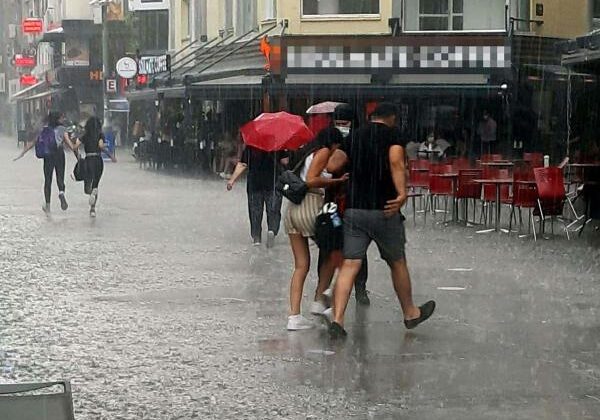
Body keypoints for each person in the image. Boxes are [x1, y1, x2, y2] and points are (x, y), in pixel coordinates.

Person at [326, 102, 436, 338]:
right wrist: (401, 193)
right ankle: (410, 313)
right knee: (397, 261)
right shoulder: (393, 135)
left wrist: (348, 174)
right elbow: (396, 161)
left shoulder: (355, 136)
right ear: (392, 118)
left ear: (371, 117)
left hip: (355, 209)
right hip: (385, 209)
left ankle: (337, 320)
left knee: (350, 264)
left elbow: (332, 163)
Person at [283, 127, 349, 330]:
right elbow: (311, 179)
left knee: (301, 265)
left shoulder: (306, 153)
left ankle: (294, 317)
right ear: (333, 143)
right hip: (310, 207)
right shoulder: (322, 152)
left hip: (292, 211)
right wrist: (335, 180)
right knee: (338, 248)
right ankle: (322, 298)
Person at [14, 111, 76, 213]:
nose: (63, 119)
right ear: (58, 119)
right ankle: (61, 193)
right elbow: (70, 144)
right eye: (61, 117)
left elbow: (33, 142)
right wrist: (76, 148)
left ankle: (48, 206)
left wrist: (22, 153)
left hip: (48, 156)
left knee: (48, 180)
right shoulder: (62, 129)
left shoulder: (44, 129)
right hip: (59, 154)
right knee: (60, 177)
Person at [227, 145, 286, 248]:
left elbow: (243, 164)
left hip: (254, 183)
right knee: (274, 209)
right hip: (273, 183)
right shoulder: (277, 145)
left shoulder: (251, 147)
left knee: (255, 211)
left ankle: (256, 238)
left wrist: (232, 180)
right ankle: (272, 230)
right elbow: (285, 162)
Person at [71, 117, 117, 217]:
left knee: (87, 186)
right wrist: (111, 156)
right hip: (98, 161)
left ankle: (91, 192)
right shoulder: (100, 135)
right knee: (95, 184)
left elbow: (75, 147)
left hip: (88, 160)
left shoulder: (85, 135)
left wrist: (78, 157)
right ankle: (93, 209)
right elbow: (101, 146)